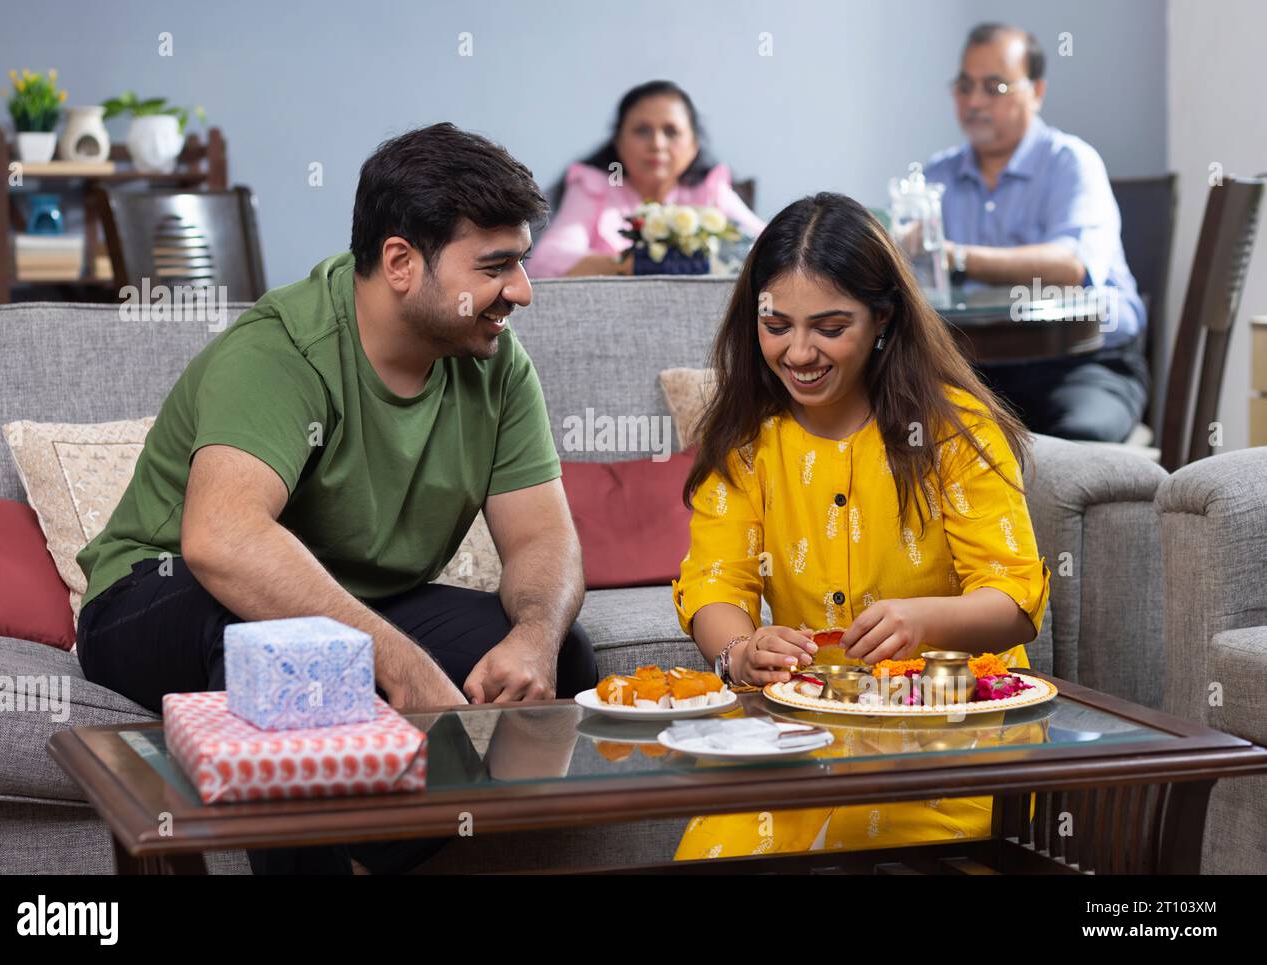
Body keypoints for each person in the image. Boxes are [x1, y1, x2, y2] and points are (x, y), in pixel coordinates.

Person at [74, 122, 597, 874]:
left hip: (347, 604)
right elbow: (221, 540)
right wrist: (407, 671)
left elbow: (543, 536)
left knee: (567, 650)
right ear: (399, 262)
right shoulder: (282, 351)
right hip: (153, 595)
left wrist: (536, 634)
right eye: (496, 265)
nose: (521, 290)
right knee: (288, 657)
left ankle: (370, 851)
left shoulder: (495, 362)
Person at [671, 192, 1051, 859]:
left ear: (882, 320)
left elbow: (1016, 599)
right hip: (797, 746)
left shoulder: (953, 430)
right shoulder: (744, 440)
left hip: (950, 744)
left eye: (828, 326)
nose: (798, 351)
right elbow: (713, 586)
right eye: (777, 324)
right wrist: (741, 651)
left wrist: (923, 621)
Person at [924, 23, 1149, 442]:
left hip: (1083, 363)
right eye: (965, 86)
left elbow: (1072, 266)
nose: (974, 102)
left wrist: (954, 256)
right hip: (978, 371)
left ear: (1036, 91)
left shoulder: (1072, 163)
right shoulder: (936, 176)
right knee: (914, 432)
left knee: (1078, 441)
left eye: (995, 88)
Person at [530, 80, 766, 278]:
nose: (657, 144)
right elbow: (545, 264)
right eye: (642, 130)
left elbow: (770, 246)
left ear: (693, 145)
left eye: (671, 131)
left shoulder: (710, 188)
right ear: (619, 142)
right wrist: (630, 264)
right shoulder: (594, 186)